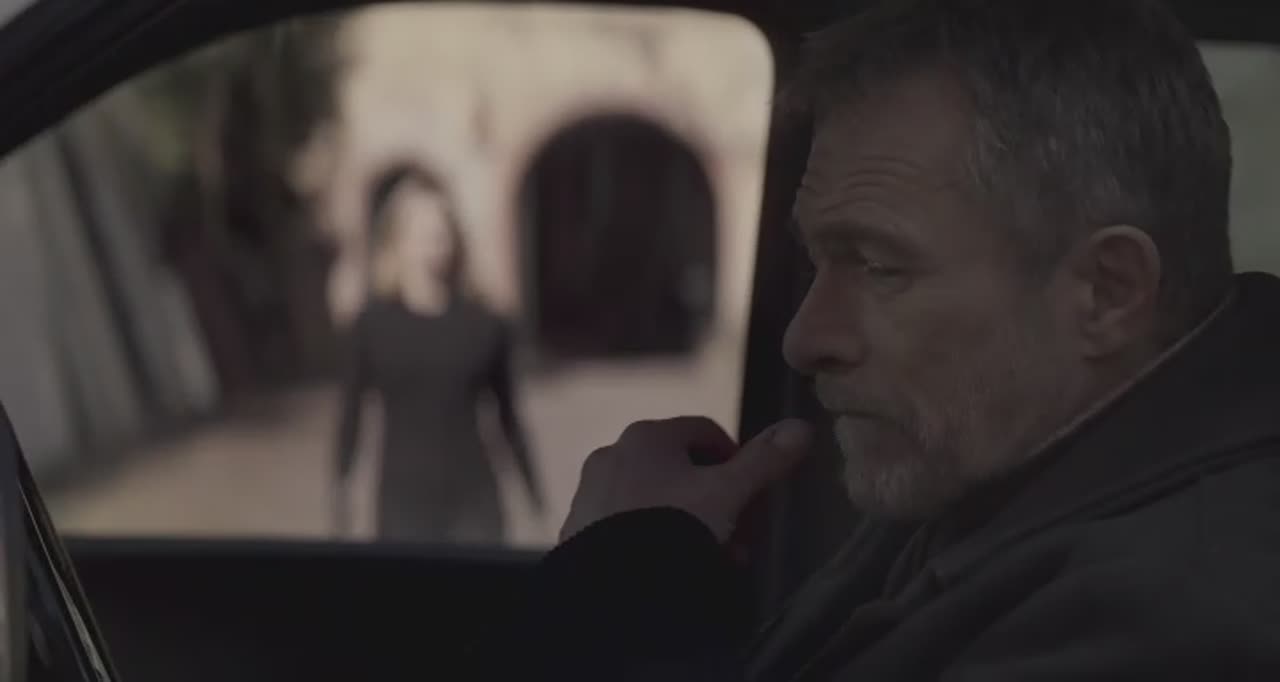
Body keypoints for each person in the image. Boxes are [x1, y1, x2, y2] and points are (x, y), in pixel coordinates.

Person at [465, 0, 1280, 679]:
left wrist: (621, 585)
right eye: (820, 259)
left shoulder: (1173, 619)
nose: (804, 338)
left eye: (880, 265)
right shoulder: (989, 462)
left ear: (1107, 292)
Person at [332, 163, 543, 545]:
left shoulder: (484, 324)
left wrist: (536, 499)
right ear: (398, 242)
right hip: (404, 502)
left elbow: (509, 418)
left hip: (474, 500)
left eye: (442, 232)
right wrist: (340, 489)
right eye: (423, 233)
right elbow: (351, 414)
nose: (435, 242)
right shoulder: (372, 325)